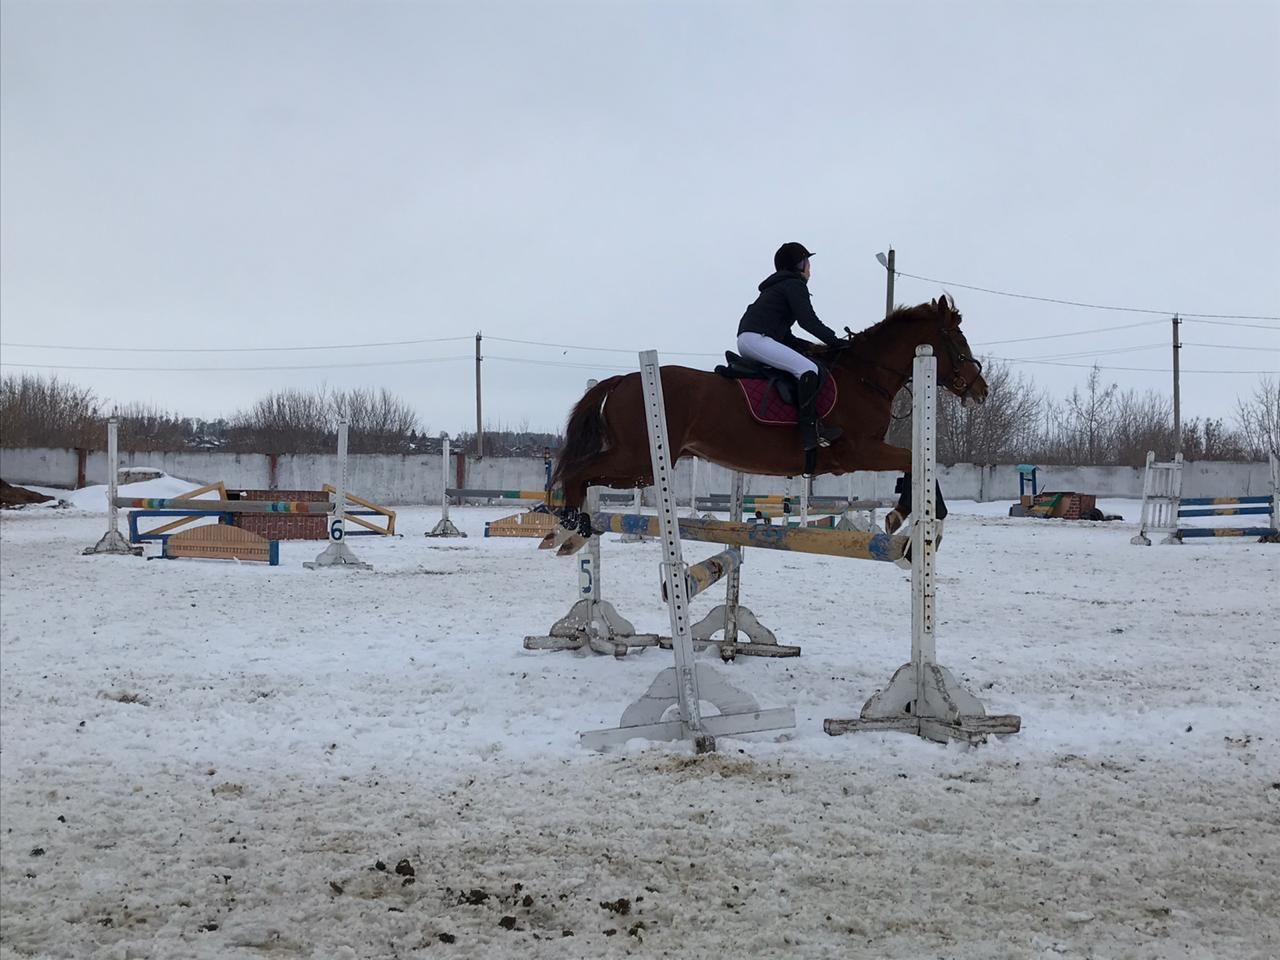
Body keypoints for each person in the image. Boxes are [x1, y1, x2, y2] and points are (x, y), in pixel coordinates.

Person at [737, 242, 844, 450]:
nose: (810, 268)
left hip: (751, 339)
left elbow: (786, 335)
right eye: (808, 263)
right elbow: (808, 321)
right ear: (800, 264)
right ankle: (809, 431)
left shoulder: (779, 286)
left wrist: (812, 346)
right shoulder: (794, 285)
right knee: (808, 369)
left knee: (802, 364)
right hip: (757, 338)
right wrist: (835, 341)